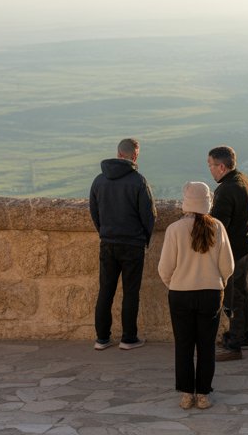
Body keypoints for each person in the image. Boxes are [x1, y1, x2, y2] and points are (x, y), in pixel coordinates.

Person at [159, 182, 234, 410]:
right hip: (210, 294)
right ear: (208, 201)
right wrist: (218, 282)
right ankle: (203, 394)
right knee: (206, 346)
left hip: (181, 294)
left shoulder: (174, 229)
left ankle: (185, 395)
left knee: (183, 346)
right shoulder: (218, 227)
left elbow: (164, 268)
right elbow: (228, 266)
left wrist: (176, 283)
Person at [89, 137, 156, 351]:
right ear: (135, 156)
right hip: (132, 244)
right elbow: (149, 215)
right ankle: (128, 338)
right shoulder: (138, 181)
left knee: (105, 290)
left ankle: (102, 338)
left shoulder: (99, 180)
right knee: (130, 292)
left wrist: (105, 232)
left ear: (118, 153)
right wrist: (144, 238)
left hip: (108, 242)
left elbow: (94, 212)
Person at [208, 146, 248, 361]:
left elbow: (217, 227)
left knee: (233, 297)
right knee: (241, 292)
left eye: (210, 165)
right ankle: (244, 334)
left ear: (221, 166)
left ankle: (234, 343)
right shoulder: (246, 180)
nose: (210, 169)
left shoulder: (227, 190)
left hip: (234, 252)